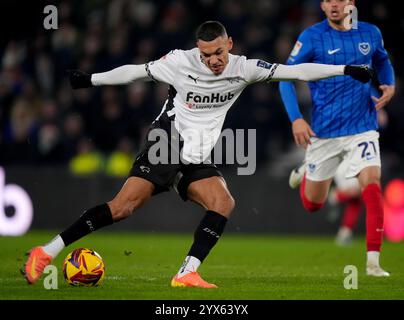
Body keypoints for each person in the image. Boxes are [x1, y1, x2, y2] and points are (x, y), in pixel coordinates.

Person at [23, 20, 374, 288]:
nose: (214, 61)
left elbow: (295, 71)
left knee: (223, 203)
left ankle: (186, 273)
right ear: (197, 50)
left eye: (219, 53)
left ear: (230, 45)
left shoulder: (244, 68)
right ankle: (47, 251)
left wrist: (345, 69)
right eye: (206, 55)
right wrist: (91, 80)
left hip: (197, 153)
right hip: (168, 141)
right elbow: (136, 74)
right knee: (123, 208)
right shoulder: (179, 62)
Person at [279, 0, 395, 276]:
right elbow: (284, 77)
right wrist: (296, 118)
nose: (334, 5)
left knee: (372, 184)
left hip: (362, 127)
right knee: (313, 204)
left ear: (351, 3)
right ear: (322, 5)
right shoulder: (311, 37)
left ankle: (373, 263)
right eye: (328, 0)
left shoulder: (370, 33)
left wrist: (388, 83)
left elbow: (382, 59)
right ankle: (306, 169)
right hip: (325, 132)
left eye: (339, 0)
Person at [328, 158, 363, 246]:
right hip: (347, 167)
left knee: (355, 203)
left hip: (345, 166)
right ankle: (337, 195)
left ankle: (345, 233)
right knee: (355, 195)